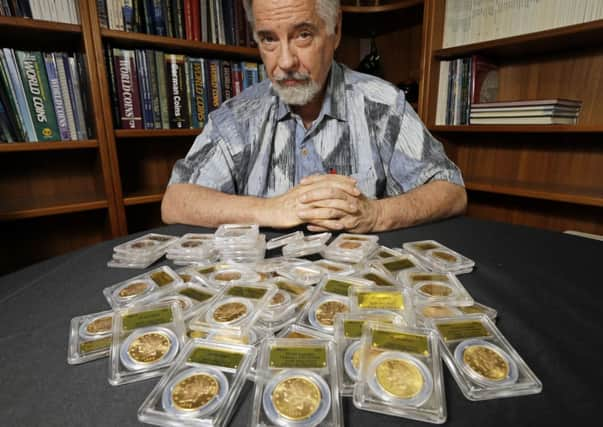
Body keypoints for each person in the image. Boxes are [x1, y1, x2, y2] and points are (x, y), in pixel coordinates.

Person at [161, 0, 466, 233]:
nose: (285, 62)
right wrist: (273, 209)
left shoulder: (383, 104)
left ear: (335, 31)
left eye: (303, 35)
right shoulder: (237, 117)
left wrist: (376, 215)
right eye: (268, 39)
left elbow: (451, 192)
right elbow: (176, 202)